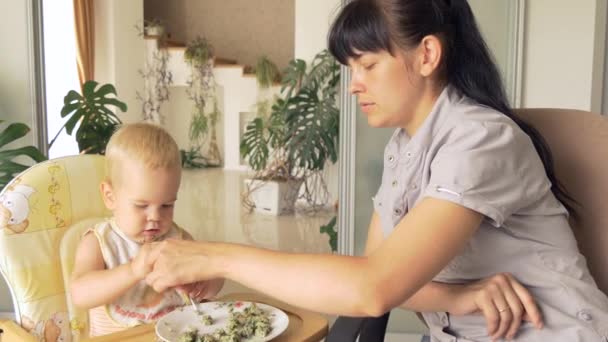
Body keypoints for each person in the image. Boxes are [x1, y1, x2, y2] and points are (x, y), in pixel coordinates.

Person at [145, 0, 608, 341]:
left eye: (367, 64)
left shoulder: (481, 139)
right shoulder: (403, 148)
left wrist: (215, 256)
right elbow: (376, 274)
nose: (354, 85)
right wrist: (458, 297)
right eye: (351, 68)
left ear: (427, 55)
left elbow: (372, 289)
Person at [70, 123, 224, 337]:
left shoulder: (178, 239)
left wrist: (204, 284)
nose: (155, 217)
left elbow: (214, 277)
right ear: (110, 196)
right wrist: (133, 270)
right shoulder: (98, 242)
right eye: (141, 206)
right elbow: (80, 294)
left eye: (167, 205)